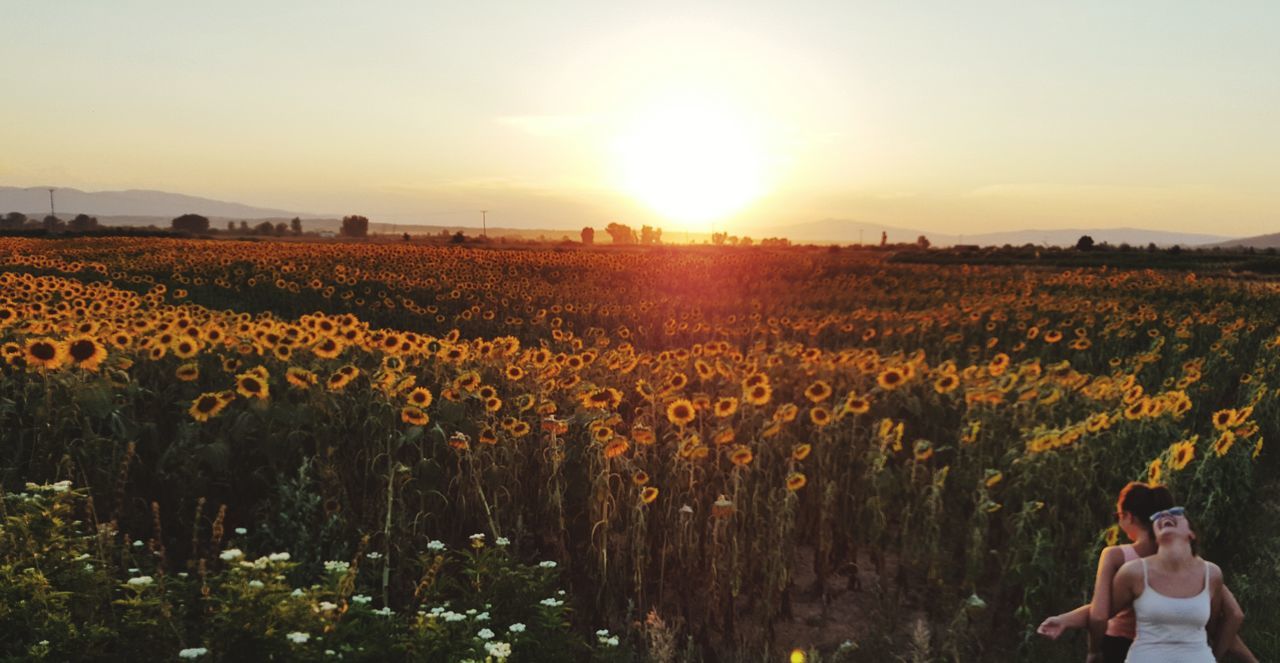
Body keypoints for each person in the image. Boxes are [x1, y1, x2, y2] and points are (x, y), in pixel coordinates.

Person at [1036, 483, 1254, 662]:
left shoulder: (1118, 557)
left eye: (1118, 515)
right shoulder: (1196, 566)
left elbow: (1101, 613)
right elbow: (1233, 615)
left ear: (1128, 516)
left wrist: (1093, 650)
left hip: (1121, 646)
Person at [1110, 506, 1241, 661]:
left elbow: (1215, 624)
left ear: (1191, 534)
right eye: (1157, 516)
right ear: (1156, 537)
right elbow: (1101, 612)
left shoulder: (1212, 574)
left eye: (1176, 512)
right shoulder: (1133, 572)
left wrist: (1214, 657)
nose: (1165, 515)